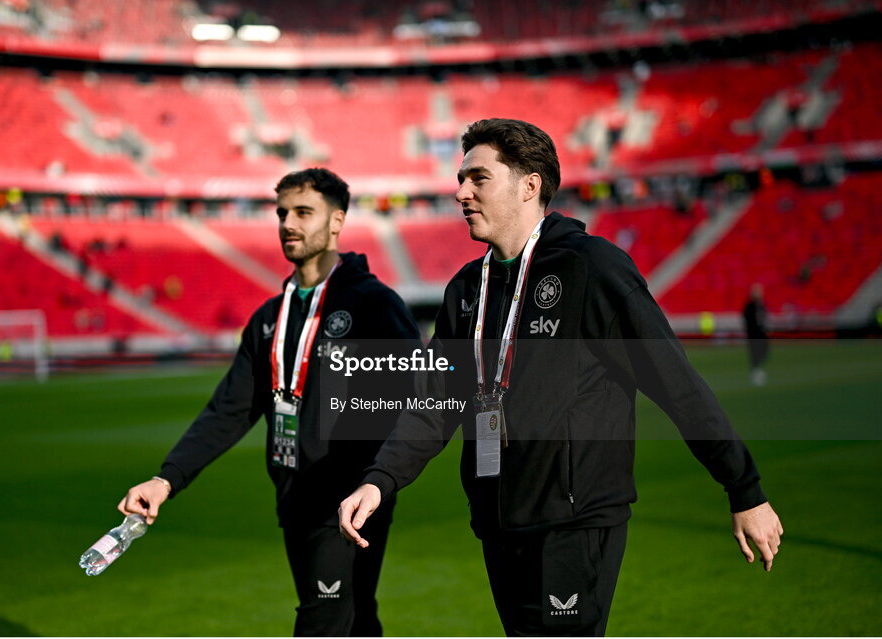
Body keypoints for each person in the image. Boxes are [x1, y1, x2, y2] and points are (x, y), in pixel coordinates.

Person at [339, 119, 783, 636]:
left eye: (478, 178)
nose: (460, 192)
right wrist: (380, 480)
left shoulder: (593, 269)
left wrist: (743, 488)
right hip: (499, 521)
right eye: (461, 179)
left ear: (529, 185)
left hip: (575, 520)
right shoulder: (465, 290)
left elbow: (674, 381)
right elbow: (435, 403)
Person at [119, 168, 419, 636]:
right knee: (355, 618)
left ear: (337, 221)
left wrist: (372, 469)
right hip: (293, 496)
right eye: (282, 213)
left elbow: (414, 395)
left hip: (348, 499)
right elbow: (230, 409)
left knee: (322, 621)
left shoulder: (373, 304)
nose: (288, 224)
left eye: (304, 212)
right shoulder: (268, 319)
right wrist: (166, 479)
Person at [743, 283, 769, 386]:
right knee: (755, 353)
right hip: (753, 334)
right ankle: (755, 370)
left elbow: (764, 318)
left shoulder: (761, 305)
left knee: (764, 350)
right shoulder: (749, 306)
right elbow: (747, 319)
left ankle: (756, 369)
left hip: (761, 334)